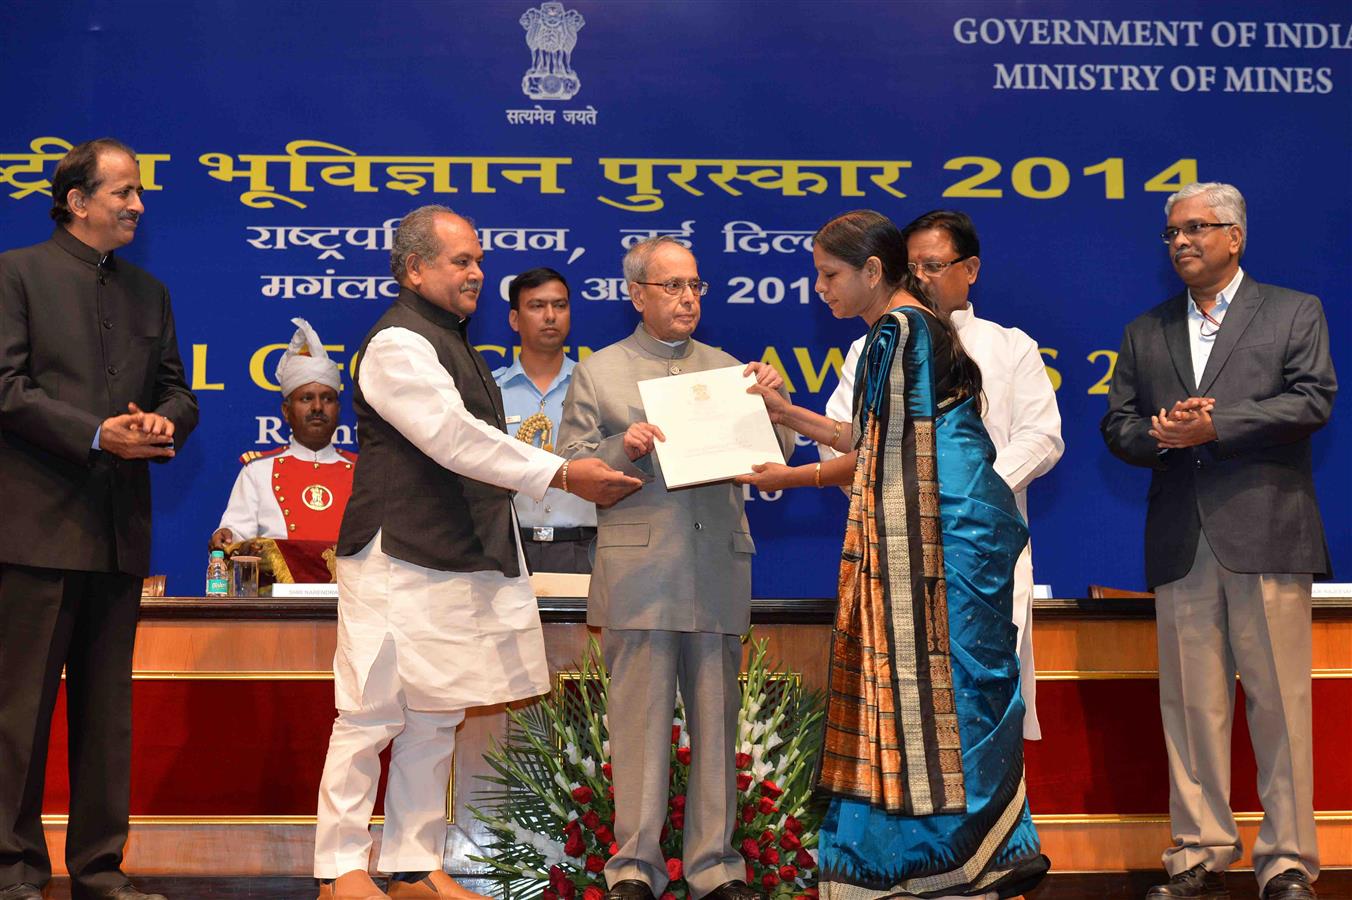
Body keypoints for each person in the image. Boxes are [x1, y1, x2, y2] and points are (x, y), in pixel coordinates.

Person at [311, 206, 640, 900]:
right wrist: (562, 471)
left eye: (479, 261)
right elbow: (452, 438)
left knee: (435, 714)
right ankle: (340, 867)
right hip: (396, 554)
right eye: (461, 261)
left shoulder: (446, 339)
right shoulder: (399, 343)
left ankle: (409, 862)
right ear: (415, 269)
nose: (477, 273)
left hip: (452, 553)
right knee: (372, 713)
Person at [739, 210, 1048, 900]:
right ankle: (957, 854)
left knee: (941, 692)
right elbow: (867, 434)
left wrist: (784, 478)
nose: (820, 290)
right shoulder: (915, 328)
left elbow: (873, 457)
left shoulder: (896, 330)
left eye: (829, 275)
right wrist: (784, 413)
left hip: (944, 539)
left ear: (872, 272)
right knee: (940, 691)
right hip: (952, 530)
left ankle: (948, 852)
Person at [1101, 183, 1335, 900]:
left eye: (1196, 229)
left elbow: (1312, 399)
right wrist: (1162, 433)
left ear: (1235, 236)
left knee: (1280, 705)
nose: (1180, 243)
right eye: (1171, 234)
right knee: (1191, 705)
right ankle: (1200, 849)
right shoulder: (1148, 329)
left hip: (1266, 532)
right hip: (1181, 539)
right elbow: (1118, 426)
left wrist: (1217, 424)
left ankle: (1288, 859)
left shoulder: (1294, 310)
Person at [557, 236, 793, 900]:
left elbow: (779, 458)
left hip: (715, 563)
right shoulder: (598, 372)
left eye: (695, 286)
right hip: (641, 571)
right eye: (673, 287)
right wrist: (620, 446)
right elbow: (573, 468)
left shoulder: (729, 370)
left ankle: (716, 868)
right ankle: (634, 867)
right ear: (637, 294)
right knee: (638, 726)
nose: (688, 297)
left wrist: (773, 404)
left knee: (718, 726)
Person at [0, 138, 198, 900]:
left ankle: (98, 867)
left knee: (105, 713)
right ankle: (12, 867)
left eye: (139, 193)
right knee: (18, 715)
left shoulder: (149, 293)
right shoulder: (16, 274)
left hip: (119, 532)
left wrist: (158, 422)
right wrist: (93, 433)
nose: (137, 205)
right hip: (34, 531)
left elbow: (180, 391)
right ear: (77, 200)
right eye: (123, 192)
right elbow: (7, 389)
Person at [819, 210, 1062, 740]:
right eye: (912, 266)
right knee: (903, 713)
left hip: (978, 550)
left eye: (933, 264)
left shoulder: (1008, 346)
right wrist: (890, 493)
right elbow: (847, 436)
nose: (921, 277)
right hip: (895, 550)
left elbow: (1041, 439)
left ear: (970, 269)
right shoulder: (870, 346)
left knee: (979, 712)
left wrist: (962, 498)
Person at [210, 318, 356, 551]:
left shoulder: (364, 472)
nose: (318, 407)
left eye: (327, 399)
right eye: (306, 398)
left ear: (338, 410)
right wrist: (227, 535)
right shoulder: (258, 470)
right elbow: (236, 536)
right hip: (276, 588)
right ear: (286, 412)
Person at [492, 267, 596, 573]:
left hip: (583, 550)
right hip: (508, 550)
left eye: (559, 305)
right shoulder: (490, 391)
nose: (550, 315)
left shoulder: (596, 387)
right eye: (537, 306)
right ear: (514, 319)